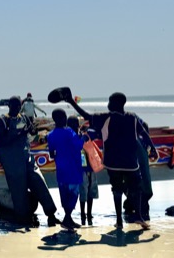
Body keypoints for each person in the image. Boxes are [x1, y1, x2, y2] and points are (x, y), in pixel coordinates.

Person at [61, 89, 156, 230]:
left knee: (117, 190)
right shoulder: (132, 117)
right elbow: (144, 133)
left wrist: (71, 102)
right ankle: (139, 216)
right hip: (130, 162)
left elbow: (86, 116)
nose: (108, 104)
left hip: (113, 163)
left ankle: (119, 220)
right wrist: (152, 148)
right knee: (136, 188)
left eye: (110, 102)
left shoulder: (106, 117)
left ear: (116, 104)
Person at [0, 95, 60, 226]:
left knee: (39, 181)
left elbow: (32, 132)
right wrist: (19, 133)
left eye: (18, 106)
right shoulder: (3, 120)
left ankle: (51, 214)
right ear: (9, 105)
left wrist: (33, 129)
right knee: (18, 189)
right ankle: (23, 219)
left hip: (26, 156)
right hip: (11, 160)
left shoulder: (24, 118)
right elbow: (0, 141)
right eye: (14, 106)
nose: (17, 108)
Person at [47, 109, 84, 231]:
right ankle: (67, 219)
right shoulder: (69, 132)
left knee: (64, 194)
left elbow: (51, 154)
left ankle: (68, 219)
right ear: (63, 118)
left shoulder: (50, 135)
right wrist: (82, 137)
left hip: (61, 169)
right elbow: (78, 146)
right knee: (73, 194)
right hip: (73, 168)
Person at [68, 115, 100, 226]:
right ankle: (84, 214)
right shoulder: (75, 137)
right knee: (85, 192)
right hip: (82, 169)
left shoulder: (82, 135)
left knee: (89, 191)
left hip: (89, 167)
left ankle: (87, 214)